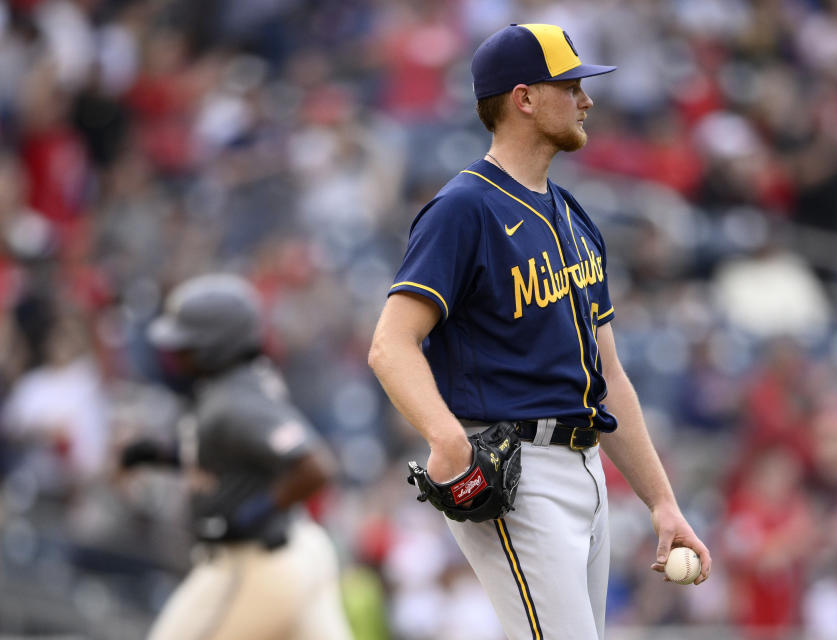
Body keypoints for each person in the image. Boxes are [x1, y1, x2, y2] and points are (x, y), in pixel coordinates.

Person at [368, 24, 711, 639]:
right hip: (514, 466)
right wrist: (446, 438)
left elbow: (607, 378)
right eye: (571, 85)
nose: (587, 100)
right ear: (524, 99)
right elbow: (390, 344)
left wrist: (661, 501)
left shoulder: (574, 217)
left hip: (587, 468)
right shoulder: (464, 208)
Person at [120, 273, 353, 640]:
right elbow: (233, 459)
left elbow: (315, 468)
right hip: (292, 551)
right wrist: (164, 455)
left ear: (216, 345)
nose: (173, 353)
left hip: (254, 562)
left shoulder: (233, 401)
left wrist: (252, 513)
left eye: (185, 344)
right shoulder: (236, 384)